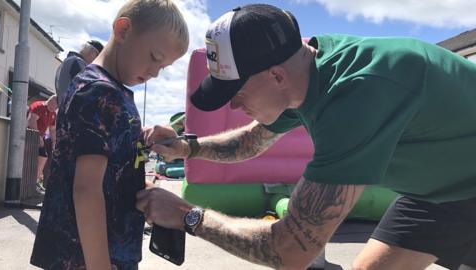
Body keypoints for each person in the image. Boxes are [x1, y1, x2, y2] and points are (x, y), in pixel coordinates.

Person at [138, 4, 476, 270]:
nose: (235, 105)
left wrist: (187, 216)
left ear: (276, 76)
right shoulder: (306, 74)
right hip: (437, 193)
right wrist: (187, 148)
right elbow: (248, 143)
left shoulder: (356, 98)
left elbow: (289, 251)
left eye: (236, 91)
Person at [30, 0, 189, 269]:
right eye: (154, 58)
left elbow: (105, 151)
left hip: (105, 250)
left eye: (163, 68)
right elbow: (87, 189)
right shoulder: (100, 93)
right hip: (87, 256)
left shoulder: (109, 91)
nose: (155, 72)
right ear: (123, 30)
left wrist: (141, 137)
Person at [54, 39, 104, 105]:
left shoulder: (68, 61)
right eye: (98, 57)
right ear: (92, 52)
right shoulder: (77, 62)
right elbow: (88, 88)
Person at [27, 95, 57, 190]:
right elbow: (31, 121)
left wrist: (54, 142)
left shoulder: (53, 114)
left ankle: (35, 182)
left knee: (44, 157)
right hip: (30, 136)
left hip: (40, 137)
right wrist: (39, 136)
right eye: (55, 106)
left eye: (56, 108)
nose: (55, 109)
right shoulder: (39, 106)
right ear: (51, 101)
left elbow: (52, 129)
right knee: (42, 156)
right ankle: (33, 183)